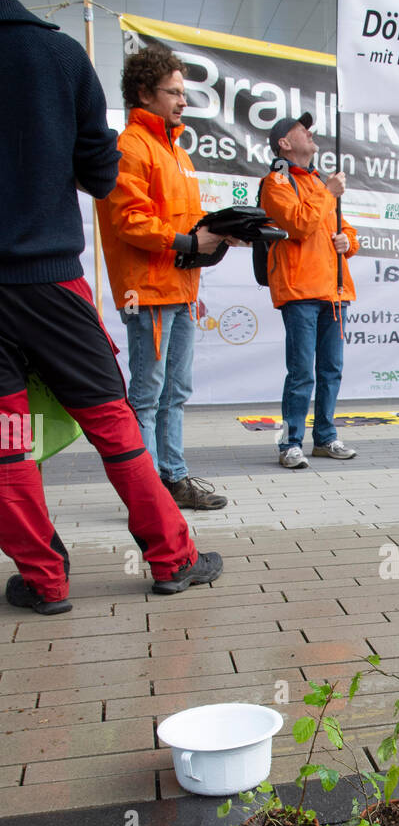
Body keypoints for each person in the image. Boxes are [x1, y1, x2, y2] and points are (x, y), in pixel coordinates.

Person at [0, 0, 221, 613]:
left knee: (7, 442)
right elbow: (101, 176)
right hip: (49, 284)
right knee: (115, 423)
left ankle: (44, 579)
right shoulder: (59, 56)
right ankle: (169, 558)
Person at [96, 46, 231, 510]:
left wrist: (224, 233)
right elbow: (130, 221)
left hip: (177, 287)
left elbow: (186, 223)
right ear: (143, 93)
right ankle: (148, 492)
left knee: (175, 392)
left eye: (183, 92)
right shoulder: (130, 146)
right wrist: (192, 243)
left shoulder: (176, 151)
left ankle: (172, 479)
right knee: (148, 397)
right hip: (147, 292)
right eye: (172, 92)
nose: (182, 101)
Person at [260, 114, 359, 469]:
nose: (310, 133)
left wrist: (349, 241)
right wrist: (327, 192)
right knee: (302, 371)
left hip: (334, 291)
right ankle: (290, 443)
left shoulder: (320, 182)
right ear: (284, 143)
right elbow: (299, 224)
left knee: (331, 369)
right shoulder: (276, 182)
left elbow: (345, 230)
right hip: (299, 290)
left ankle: (325, 438)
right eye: (301, 129)